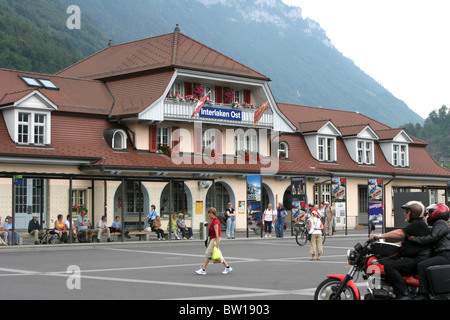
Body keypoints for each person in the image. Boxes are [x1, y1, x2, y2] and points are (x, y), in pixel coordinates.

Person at [370, 201, 432, 300]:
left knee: (390, 267)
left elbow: (400, 233)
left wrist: (379, 236)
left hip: (418, 259)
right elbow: (402, 243)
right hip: (416, 258)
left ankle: (404, 294)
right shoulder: (416, 225)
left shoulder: (417, 224)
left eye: (407, 211)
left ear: (414, 213)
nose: (404, 213)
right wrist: (383, 245)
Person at [408, 203, 450, 300]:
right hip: (443, 254)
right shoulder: (439, 224)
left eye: (430, 212)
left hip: (446, 254)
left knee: (422, 265)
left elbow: (432, 238)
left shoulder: (440, 223)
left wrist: (414, 239)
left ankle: (423, 294)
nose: (428, 215)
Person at [195, 207, 232, 275]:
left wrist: (217, 243)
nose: (209, 214)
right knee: (218, 254)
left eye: (210, 213)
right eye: (208, 213)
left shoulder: (215, 221)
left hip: (215, 238)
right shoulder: (212, 220)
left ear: (213, 213)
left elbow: (217, 233)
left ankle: (203, 269)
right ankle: (227, 267)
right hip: (212, 238)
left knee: (208, 253)